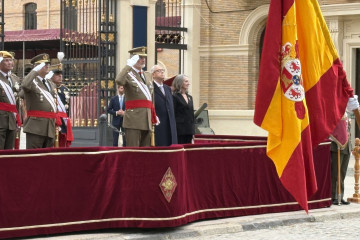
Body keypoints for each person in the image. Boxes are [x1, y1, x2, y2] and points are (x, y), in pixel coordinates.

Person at [115, 46, 157, 147]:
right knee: (133, 149)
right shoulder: (128, 74)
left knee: (146, 151)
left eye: (144, 58)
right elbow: (119, 80)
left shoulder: (147, 75)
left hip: (146, 118)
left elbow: (151, 97)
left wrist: (153, 113)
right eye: (140, 57)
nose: (143, 60)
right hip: (134, 119)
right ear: (133, 60)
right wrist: (128, 66)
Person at [22, 53, 58, 149]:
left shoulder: (50, 83)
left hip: (49, 126)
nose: (47, 66)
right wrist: (34, 72)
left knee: (46, 159)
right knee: (34, 158)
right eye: (43, 64)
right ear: (36, 67)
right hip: (35, 127)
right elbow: (24, 86)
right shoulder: (31, 82)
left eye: (48, 64)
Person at [330, 95, 359, 205]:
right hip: (336, 146)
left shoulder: (346, 113)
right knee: (335, 173)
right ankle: (333, 195)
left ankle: (340, 195)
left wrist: (350, 146)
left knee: (342, 172)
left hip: (346, 146)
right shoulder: (334, 112)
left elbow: (347, 131)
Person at [47, 64, 73, 147]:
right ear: (51, 76)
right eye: (57, 75)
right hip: (52, 119)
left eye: (61, 75)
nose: (60, 76)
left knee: (62, 142)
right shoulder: (48, 88)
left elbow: (67, 106)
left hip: (63, 120)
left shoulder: (64, 89)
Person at [151, 65, 177, 146]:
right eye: (158, 71)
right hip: (159, 123)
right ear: (153, 74)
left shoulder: (167, 88)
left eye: (162, 70)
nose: (162, 72)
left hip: (170, 123)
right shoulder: (151, 88)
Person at [0, 51, 21, 149]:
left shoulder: (15, 78)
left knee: (9, 150)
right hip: (1, 119)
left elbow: (17, 101)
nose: (10, 63)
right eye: (6, 60)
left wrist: (18, 118)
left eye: (11, 60)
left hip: (12, 119)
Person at [172, 74, 195, 144]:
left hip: (189, 130)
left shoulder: (190, 97)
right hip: (179, 130)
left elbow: (192, 115)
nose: (188, 83)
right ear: (180, 82)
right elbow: (173, 114)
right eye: (186, 81)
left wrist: (193, 131)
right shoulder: (174, 97)